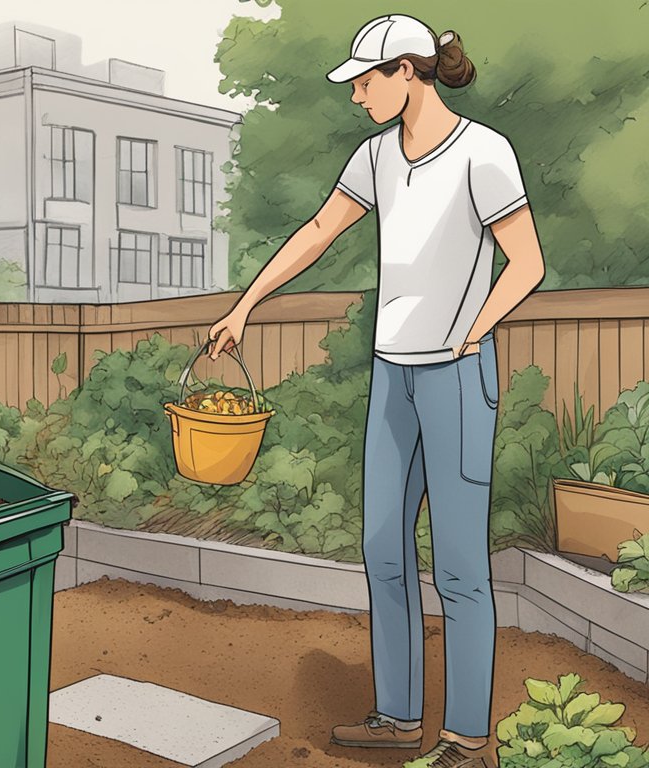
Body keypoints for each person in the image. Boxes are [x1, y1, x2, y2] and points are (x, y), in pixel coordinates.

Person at [206, 14, 545, 768]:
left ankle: (467, 737)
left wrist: (473, 331)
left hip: (456, 374)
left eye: (366, 79)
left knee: (458, 563)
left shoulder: (483, 154)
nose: (357, 94)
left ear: (408, 72)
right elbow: (320, 229)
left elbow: (526, 263)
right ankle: (397, 716)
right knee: (382, 549)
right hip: (394, 374)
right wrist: (245, 304)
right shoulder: (375, 157)